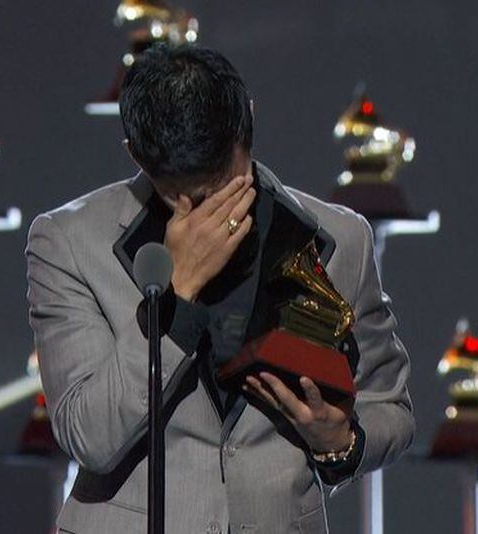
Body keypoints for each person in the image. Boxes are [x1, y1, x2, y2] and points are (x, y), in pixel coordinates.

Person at [26, 44, 413, 534]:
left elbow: (391, 409)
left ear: (248, 121)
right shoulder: (69, 242)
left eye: (224, 180)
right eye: (182, 193)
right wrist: (177, 291)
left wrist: (341, 442)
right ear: (136, 156)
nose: (209, 207)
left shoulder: (341, 239)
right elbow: (89, 436)